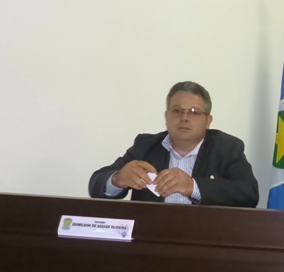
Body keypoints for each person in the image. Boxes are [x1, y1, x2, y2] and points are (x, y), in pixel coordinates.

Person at [88, 81, 258, 208]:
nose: (184, 117)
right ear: (166, 116)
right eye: (177, 111)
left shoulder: (227, 148)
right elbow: (96, 184)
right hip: (151, 237)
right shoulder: (145, 146)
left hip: (205, 237)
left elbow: (248, 193)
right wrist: (117, 179)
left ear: (208, 121)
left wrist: (193, 186)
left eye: (194, 112)